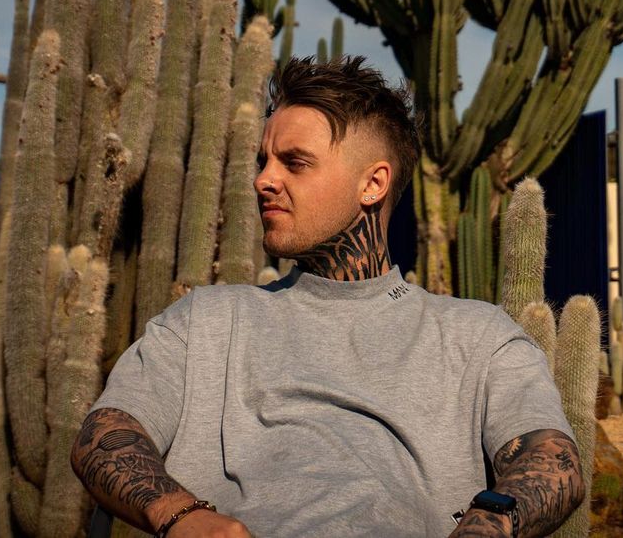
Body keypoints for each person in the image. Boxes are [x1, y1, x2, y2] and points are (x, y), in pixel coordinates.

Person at [71, 57, 583, 537]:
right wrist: (181, 516)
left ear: (372, 184)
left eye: (294, 163)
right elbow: (106, 433)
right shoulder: (205, 321)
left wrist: (487, 525)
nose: (263, 180)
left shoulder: (477, 336)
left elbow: (552, 459)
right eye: (264, 161)